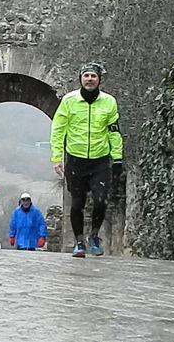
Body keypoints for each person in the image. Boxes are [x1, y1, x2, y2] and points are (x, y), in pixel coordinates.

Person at [50, 62, 123, 258]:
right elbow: (58, 129)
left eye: (93, 76)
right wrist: (57, 157)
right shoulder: (69, 100)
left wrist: (117, 158)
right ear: (81, 79)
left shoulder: (109, 102)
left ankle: (94, 236)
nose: (89, 79)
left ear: (99, 79)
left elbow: (114, 132)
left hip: (100, 159)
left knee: (100, 200)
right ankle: (79, 242)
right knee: (77, 203)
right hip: (76, 160)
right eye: (86, 76)